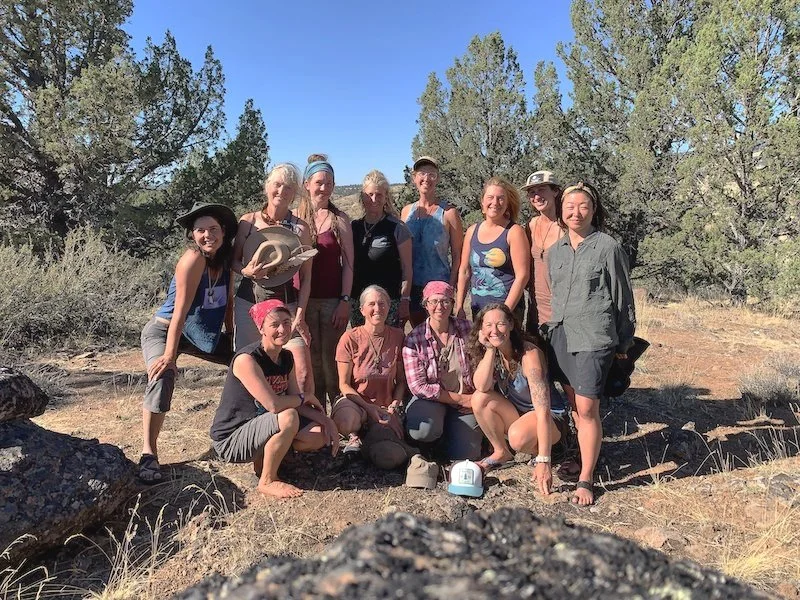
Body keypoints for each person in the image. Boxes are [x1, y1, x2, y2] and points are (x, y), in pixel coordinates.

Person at [547, 182, 636, 505]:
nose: (576, 212)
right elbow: (554, 291)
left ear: (594, 210)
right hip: (561, 334)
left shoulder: (607, 247)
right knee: (575, 405)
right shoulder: (555, 251)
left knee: (587, 408)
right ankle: (581, 455)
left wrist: (624, 343)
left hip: (594, 335)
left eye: (583, 206)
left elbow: (623, 299)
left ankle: (586, 478)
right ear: (561, 210)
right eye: (569, 206)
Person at [139, 202, 238, 483]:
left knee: (245, 361)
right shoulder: (193, 260)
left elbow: (229, 303)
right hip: (165, 330)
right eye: (200, 230)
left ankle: (241, 427)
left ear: (223, 231)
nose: (208, 235)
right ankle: (148, 452)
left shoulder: (226, 260)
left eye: (213, 229)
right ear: (192, 235)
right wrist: (169, 356)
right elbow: (180, 312)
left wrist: (232, 338)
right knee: (162, 375)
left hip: (199, 334)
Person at [210, 300, 338, 499]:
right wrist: (305, 396)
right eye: (274, 325)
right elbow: (275, 405)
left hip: (264, 425)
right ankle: (267, 480)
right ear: (261, 328)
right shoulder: (247, 359)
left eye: (286, 323)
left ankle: (271, 458)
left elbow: (295, 400)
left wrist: (326, 420)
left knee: (318, 435)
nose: (282, 330)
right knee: (288, 416)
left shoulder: (286, 357)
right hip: (232, 438)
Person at [232, 163, 314, 394]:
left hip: (286, 305)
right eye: (277, 185)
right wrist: (246, 272)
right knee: (248, 364)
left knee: (300, 372)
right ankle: (251, 414)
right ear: (267, 187)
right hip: (249, 303)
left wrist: (300, 314)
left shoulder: (300, 229)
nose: (281, 191)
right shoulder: (248, 222)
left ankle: (292, 411)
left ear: (294, 193)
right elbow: (234, 262)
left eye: (288, 188)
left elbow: (306, 277)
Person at [467, 303, 565, 496]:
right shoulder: (495, 351)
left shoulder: (529, 356)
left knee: (517, 437)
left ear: (511, 325)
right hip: (521, 415)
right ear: (481, 329)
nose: (494, 330)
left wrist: (544, 460)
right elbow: (481, 386)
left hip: (550, 420)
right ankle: (501, 452)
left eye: (500, 324)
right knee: (479, 399)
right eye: (488, 325)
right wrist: (490, 349)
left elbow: (543, 412)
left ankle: (546, 451)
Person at [332, 285, 414, 469]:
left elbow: (401, 381)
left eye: (382, 304)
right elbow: (344, 385)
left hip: (385, 406)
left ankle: (371, 442)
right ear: (362, 310)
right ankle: (355, 435)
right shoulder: (350, 338)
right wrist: (369, 408)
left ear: (389, 307)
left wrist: (394, 406)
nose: (377, 308)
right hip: (356, 403)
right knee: (346, 421)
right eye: (371, 304)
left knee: (389, 457)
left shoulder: (398, 336)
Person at [296, 154, 355, 410]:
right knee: (310, 360)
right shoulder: (295, 218)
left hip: (332, 301)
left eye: (329, 183)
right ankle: (316, 413)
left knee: (333, 359)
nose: (324, 188)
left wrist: (345, 300)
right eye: (319, 182)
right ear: (307, 184)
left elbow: (349, 264)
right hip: (303, 302)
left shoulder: (339, 219)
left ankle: (341, 413)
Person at [402, 281, 482, 460]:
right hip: (432, 400)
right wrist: (461, 399)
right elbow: (418, 386)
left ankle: (449, 436)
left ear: (453, 304)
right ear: (425, 305)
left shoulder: (468, 329)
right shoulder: (414, 339)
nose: (440, 307)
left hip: (467, 397)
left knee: (467, 454)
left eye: (445, 301)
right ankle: (430, 442)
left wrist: (476, 397)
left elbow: (484, 366)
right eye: (434, 301)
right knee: (423, 431)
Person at [455, 177, 530, 322]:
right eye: (490, 197)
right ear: (482, 202)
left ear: (507, 204)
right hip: (478, 309)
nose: (495, 202)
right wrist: (459, 306)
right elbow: (464, 271)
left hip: (508, 311)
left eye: (501, 198)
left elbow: (522, 276)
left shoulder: (514, 232)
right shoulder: (472, 231)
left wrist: (505, 312)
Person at [401, 156, 463, 327]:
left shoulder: (449, 213)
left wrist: (450, 288)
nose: (426, 178)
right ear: (414, 178)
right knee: (419, 334)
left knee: (441, 334)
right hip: (413, 288)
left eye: (431, 174)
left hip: (439, 289)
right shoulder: (406, 212)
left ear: (438, 178)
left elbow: (458, 255)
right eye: (422, 173)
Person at [350, 169, 413, 328]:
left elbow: (407, 268)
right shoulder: (353, 227)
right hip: (358, 302)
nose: (374, 199)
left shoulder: (397, 228)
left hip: (389, 302)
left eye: (379, 195)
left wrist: (405, 299)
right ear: (362, 196)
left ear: (386, 197)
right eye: (370, 194)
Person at [521, 171, 565, 333]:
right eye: (532, 192)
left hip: (563, 314)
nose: (537, 196)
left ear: (555, 191)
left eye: (541, 190)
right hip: (535, 313)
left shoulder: (568, 227)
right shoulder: (530, 226)